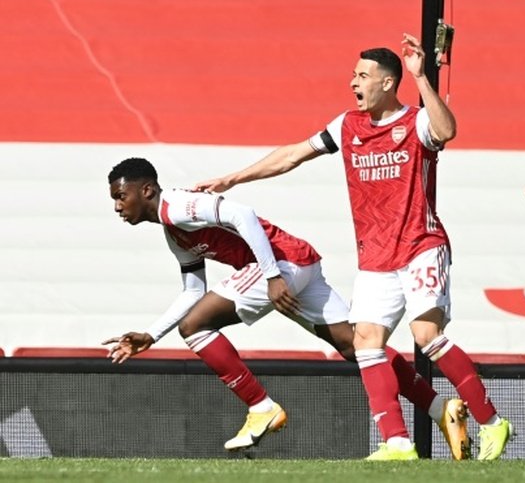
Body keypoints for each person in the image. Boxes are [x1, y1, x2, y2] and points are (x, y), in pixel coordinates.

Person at [194, 35, 512, 461]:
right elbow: (291, 155)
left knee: (426, 335)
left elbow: (447, 130)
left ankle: (492, 423)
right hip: (375, 258)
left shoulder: (414, 123)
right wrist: (234, 178)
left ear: (387, 83)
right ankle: (398, 442)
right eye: (353, 75)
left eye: (362, 75)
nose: (353, 82)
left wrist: (420, 76)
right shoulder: (346, 126)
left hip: (420, 245)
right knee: (366, 342)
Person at [104, 157, 468, 458]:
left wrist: (271, 275)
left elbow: (242, 215)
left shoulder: (180, 205)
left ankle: (261, 407)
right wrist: (151, 334)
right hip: (297, 263)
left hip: (281, 267)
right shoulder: (173, 231)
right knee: (355, 345)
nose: (118, 206)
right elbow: (192, 290)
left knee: (194, 327)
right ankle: (441, 410)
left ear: (147, 190)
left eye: (122, 196)